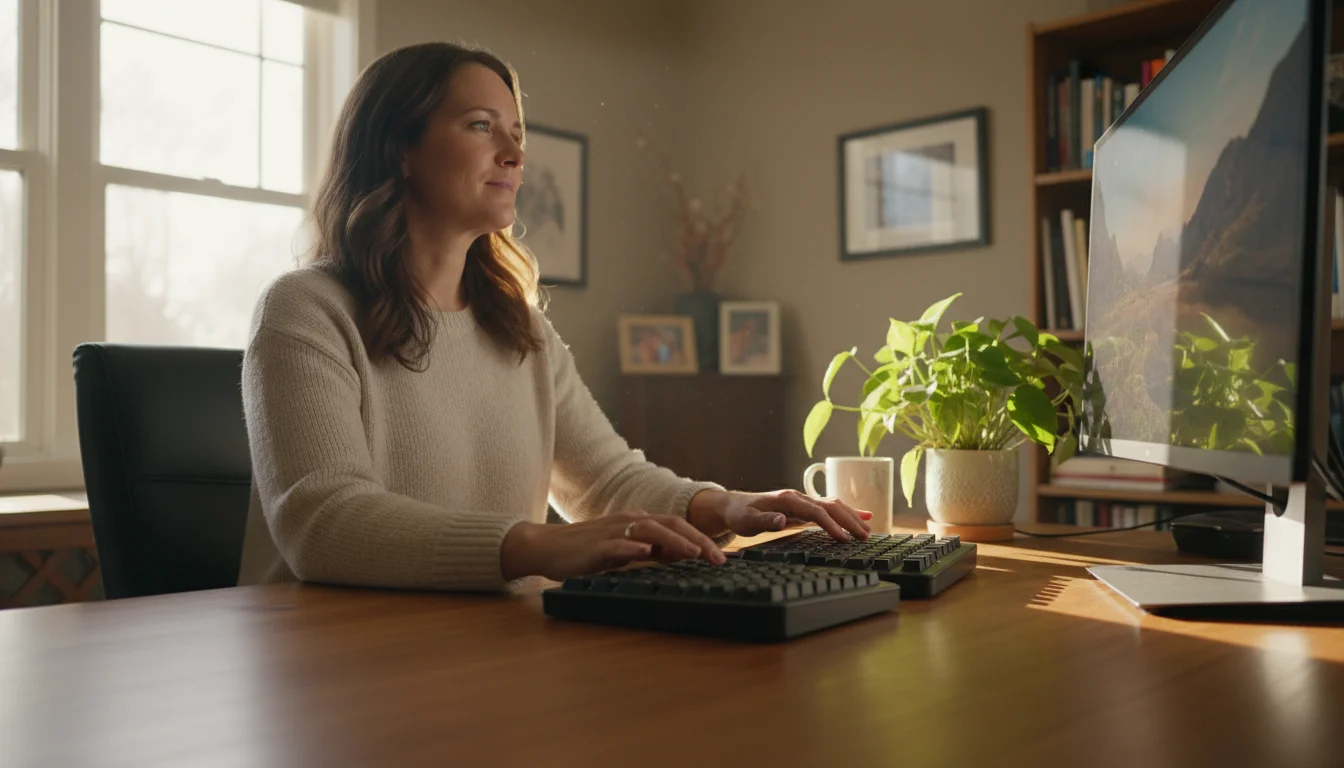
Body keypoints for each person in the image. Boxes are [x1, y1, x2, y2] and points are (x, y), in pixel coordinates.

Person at [236, 42, 872, 592]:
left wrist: (729, 505)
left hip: (485, 649)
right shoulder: (306, 310)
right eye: (482, 126)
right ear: (400, 148)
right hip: (327, 662)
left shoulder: (521, 328)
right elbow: (323, 522)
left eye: (517, 131)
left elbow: (604, 480)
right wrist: (533, 546)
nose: (514, 152)